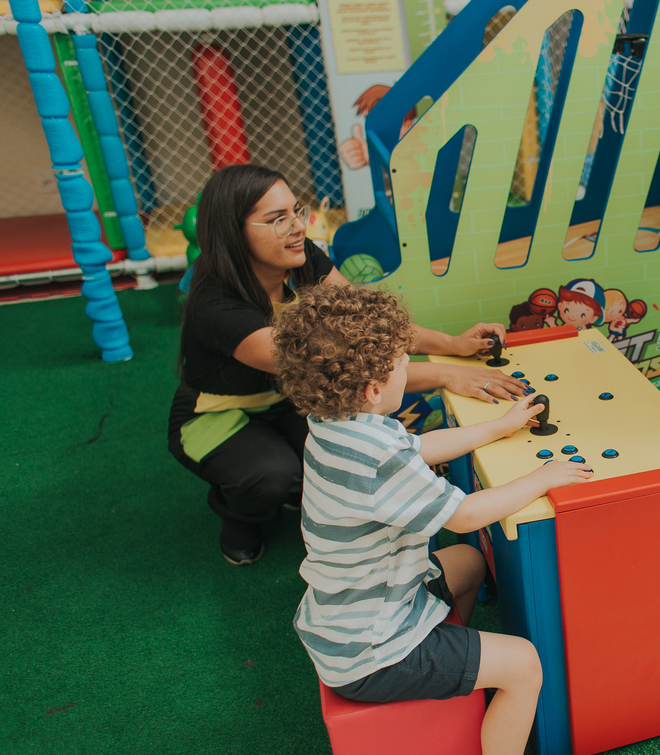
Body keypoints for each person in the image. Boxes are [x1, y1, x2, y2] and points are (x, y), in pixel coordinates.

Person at [273, 282, 592, 755]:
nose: (408, 366)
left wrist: (499, 427)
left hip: (350, 615)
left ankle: (455, 673)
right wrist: (541, 478)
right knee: (524, 662)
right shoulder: (377, 455)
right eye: (402, 362)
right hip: (374, 652)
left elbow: (419, 446)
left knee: (467, 563)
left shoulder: (336, 423)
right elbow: (465, 515)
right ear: (373, 388)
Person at [168, 164, 529, 566]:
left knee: (336, 456)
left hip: (291, 400)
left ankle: (294, 485)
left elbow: (368, 325)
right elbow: (346, 369)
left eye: (296, 211)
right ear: (233, 233)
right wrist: (446, 373)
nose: (298, 227)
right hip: (219, 413)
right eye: (278, 219)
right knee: (271, 476)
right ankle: (238, 516)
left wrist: (451, 343)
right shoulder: (217, 307)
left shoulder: (300, 257)